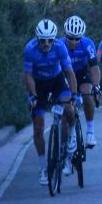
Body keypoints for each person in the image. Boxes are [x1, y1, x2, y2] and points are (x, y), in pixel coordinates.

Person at [22, 19, 79, 186]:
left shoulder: (60, 47)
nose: (46, 44)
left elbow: (69, 72)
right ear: (37, 39)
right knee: (38, 127)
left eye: (49, 40)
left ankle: (72, 135)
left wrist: (74, 94)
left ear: (54, 39)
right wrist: (33, 96)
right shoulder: (30, 49)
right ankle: (43, 168)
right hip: (38, 85)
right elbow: (28, 75)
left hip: (56, 80)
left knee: (68, 108)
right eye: (42, 40)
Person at [62, 15, 100, 147]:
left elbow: (94, 67)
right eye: (70, 37)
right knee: (66, 108)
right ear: (65, 34)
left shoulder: (87, 44)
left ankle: (90, 131)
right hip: (66, 75)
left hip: (82, 74)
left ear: (81, 37)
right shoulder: (59, 44)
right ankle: (67, 140)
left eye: (77, 38)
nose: (73, 41)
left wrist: (96, 86)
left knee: (87, 94)